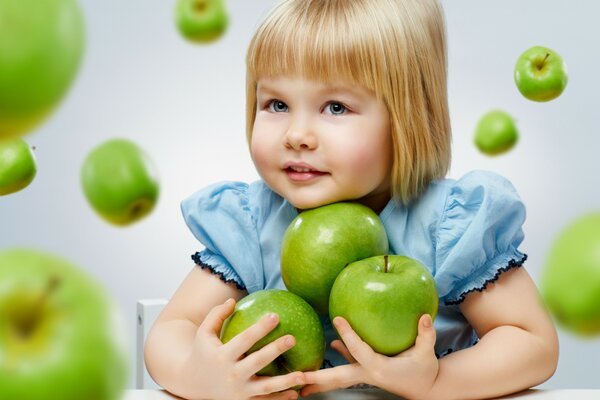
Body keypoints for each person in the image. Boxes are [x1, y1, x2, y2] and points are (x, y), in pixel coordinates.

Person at [144, 0, 559, 399]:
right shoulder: (252, 223)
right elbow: (170, 331)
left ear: (408, 119)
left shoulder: (449, 223)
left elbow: (531, 343)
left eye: (336, 107)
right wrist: (198, 376)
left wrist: (436, 383)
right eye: (276, 104)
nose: (296, 135)